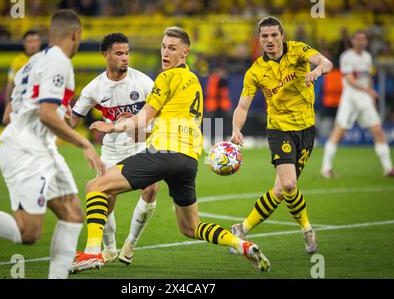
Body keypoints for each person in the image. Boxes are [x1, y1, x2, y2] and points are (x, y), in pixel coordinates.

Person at [85, 26, 271, 272]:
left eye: (172, 48)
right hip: (188, 161)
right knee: (191, 227)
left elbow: (141, 120)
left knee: (95, 187)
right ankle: (241, 244)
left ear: (185, 53)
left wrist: (109, 128)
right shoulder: (193, 80)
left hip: (162, 153)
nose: (165, 52)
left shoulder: (166, 78)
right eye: (163, 46)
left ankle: (91, 253)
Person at [0, 10, 103, 279]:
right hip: (26, 150)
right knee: (28, 232)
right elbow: (45, 115)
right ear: (75, 35)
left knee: (73, 214)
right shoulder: (60, 62)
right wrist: (84, 144)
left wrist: (60, 112)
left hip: (40, 146)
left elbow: (12, 112)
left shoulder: (30, 65)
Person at [230, 16, 333, 254]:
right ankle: (307, 231)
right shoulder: (255, 70)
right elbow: (242, 106)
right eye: (264, 36)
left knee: (279, 191)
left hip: (306, 129)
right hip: (278, 129)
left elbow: (326, 62)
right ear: (259, 40)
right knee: (289, 184)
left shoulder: (298, 51)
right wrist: (236, 129)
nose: (270, 40)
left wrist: (317, 70)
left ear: (282, 35)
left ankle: (242, 228)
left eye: (274, 35)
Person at [69, 33, 159, 271]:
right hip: (111, 151)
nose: (125, 58)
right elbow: (73, 121)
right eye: (119, 53)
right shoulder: (94, 88)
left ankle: (131, 242)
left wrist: (147, 131)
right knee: (106, 200)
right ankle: (108, 248)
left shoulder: (144, 83)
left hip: (140, 147)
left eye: (127, 53)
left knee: (151, 190)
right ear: (106, 55)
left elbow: (161, 115)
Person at [321, 30, 394, 178]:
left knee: (378, 130)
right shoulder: (346, 57)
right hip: (349, 98)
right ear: (353, 41)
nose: (361, 42)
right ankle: (326, 168)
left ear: (366, 42)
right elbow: (349, 80)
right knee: (339, 132)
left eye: (363, 39)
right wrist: (368, 90)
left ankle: (388, 169)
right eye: (358, 39)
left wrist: (371, 97)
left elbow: (367, 78)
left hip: (365, 99)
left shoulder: (367, 57)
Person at [3, 30, 42, 125]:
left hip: (40, 103)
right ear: (24, 43)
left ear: (40, 42)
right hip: (21, 103)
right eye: (29, 41)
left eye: (35, 41)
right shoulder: (17, 61)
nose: (33, 44)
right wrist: (7, 106)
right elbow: (10, 84)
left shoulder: (45, 59)